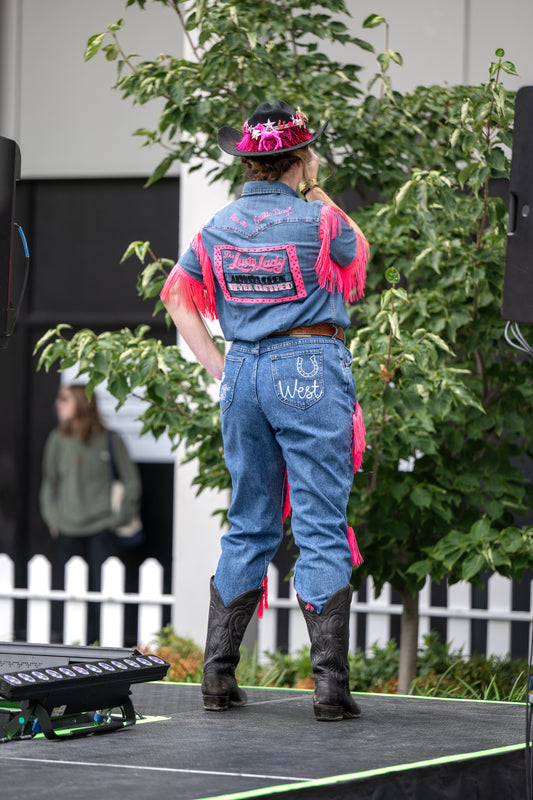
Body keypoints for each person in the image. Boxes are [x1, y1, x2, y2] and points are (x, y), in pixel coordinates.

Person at [160, 100, 369, 721]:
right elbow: (359, 254)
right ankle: (330, 689)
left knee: (249, 519)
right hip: (309, 367)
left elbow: (178, 298)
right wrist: (319, 191)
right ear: (298, 160)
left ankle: (217, 678)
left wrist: (222, 368)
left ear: (248, 162)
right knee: (320, 524)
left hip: (244, 372)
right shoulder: (318, 219)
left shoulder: (216, 226)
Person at [39, 384, 141, 643]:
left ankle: (99, 645)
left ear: (82, 404)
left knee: (102, 590)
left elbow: (132, 482)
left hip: (101, 528)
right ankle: (73, 644)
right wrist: (53, 519)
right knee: (71, 593)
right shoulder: (57, 439)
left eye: (64, 399)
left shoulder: (109, 439)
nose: (58, 403)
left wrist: (117, 519)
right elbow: (49, 483)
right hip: (67, 528)